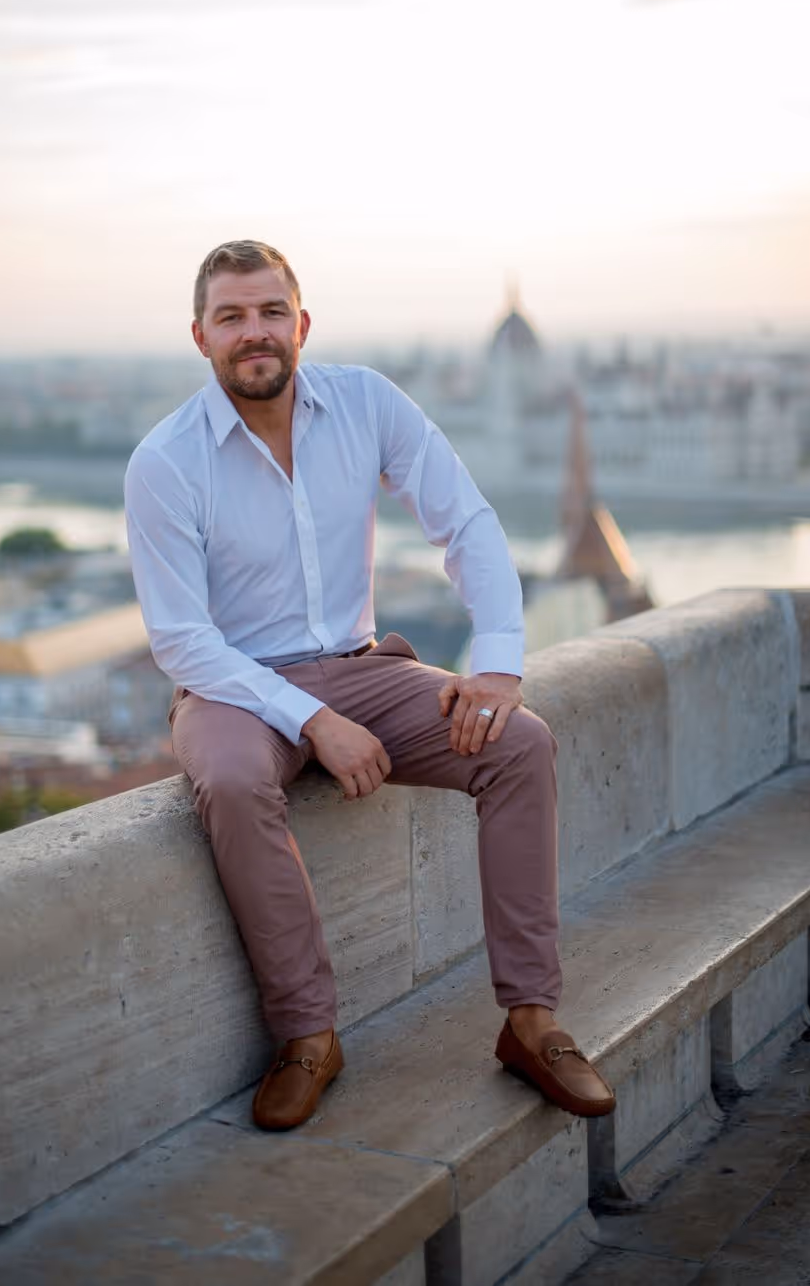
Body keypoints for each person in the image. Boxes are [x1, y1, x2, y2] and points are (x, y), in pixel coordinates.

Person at [124, 239, 615, 1131]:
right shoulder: (165, 462)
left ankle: (533, 1018)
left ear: (301, 323)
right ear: (200, 337)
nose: (255, 332)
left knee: (521, 743)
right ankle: (308, 1034)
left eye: (271, 311)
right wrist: (313, 721)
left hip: (361, 668)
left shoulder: (366, 404)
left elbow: (463, 520)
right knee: (233, 783)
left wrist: (499, 661)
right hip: (233, 688)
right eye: (231, 316)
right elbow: (183, 640)